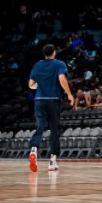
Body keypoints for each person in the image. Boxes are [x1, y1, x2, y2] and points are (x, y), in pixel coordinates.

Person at [26, 43, 76, 173]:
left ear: (44, 53)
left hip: (39, 100)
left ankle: (34, 149)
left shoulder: (37, 65)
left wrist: (41, 86)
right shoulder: (59, 64)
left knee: (40, 126)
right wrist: (69, 94)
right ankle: (52, 161)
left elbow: (31, 84)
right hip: (53, 99)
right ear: (54, 52)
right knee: (54, 129)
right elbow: (61, 79)